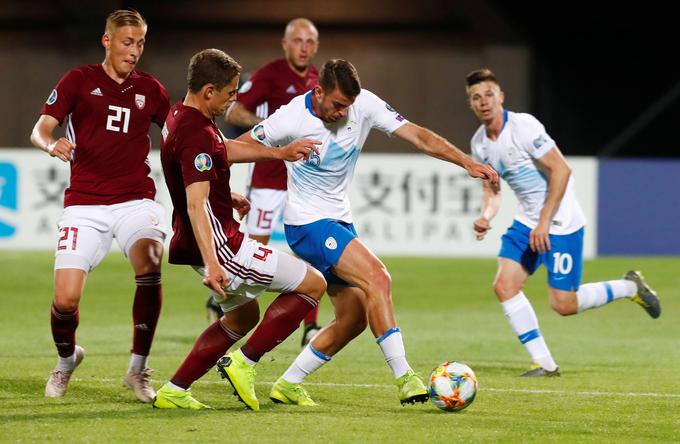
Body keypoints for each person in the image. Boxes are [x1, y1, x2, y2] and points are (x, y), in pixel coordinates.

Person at [233, 59, 498, 406]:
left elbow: (418, 135)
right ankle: (405, 376)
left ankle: (287, 382)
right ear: (318, 92)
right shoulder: (291, 116)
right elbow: (236, 146)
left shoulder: (365, 105)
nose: (343, 112)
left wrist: (467, 161)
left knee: (354, 317)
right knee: (378, 277)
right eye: (337, 105)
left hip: (338, 221)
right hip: (307, 224)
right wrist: (274, 155)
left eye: (348, 106)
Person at [152, 48, 326, 411]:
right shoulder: (196, 130)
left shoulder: (180, 116)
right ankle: (243, 363)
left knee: (243, 316)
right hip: (222, 247)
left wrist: (273, 157)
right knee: (313, 284)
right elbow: (197, 203)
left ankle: (174, 389)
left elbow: (220, 152)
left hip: (200, 239)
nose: (234, 100)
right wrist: (215, 263)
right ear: (210, 90)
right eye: (231, 92)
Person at [465, 68, 661, 377]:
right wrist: (485, 216)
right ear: (471, 105)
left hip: (560, 221)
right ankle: (545, 363)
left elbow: (561, 170)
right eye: (476, 98)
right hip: (528, 221)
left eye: (489, 94)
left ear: (500, 97)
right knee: (504, 285)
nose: (483, 101)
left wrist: (544, 223)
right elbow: (492, 190)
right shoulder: (480, 145)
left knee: (564, 304)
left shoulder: (524, 127)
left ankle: (628, 287)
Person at [30, 9, 170, 402]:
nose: (135, 51)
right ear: (107, 41)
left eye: (141, 43)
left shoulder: (152, 90)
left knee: (150, 262)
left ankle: (137, 370)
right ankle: (66, 360)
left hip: (135, 200)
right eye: (128, 42)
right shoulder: (79, 80)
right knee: (65, 300)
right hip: (85, 203)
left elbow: (181, 141)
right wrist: (51, 143)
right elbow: (41, 129)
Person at [209, 18, 322, 348]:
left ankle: (311, 326)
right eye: (297, 40)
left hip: (303, 181)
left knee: (309, 249)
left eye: (309, 42)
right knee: (251, 248)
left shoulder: (318, 80)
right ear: (285, 44)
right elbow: (233, 112)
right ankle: (233, 306)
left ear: (315, 47)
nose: (303, 46)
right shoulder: (270, 74)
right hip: (268, 179)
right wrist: (270, 126)